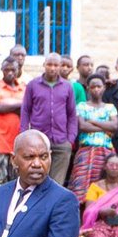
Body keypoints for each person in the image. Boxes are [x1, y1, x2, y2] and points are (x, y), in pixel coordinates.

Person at [19, 53, 78, 185]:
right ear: (44, 65)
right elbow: (26, 111)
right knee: (37, 179)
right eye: (49, 64)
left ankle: (52, 206)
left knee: (57, 183)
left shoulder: (67, 86)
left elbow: (72, 114)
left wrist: (70, 139)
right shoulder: (33, 85)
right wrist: (24, 135)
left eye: (56, 65)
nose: (52, 68)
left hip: (61, 141)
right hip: (38, 141)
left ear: (60, 66)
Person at [69, 75, 118, 204]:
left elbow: (114, 126)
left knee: (103, 188)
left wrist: (92, 121)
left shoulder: (110, 107)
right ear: (88, 89)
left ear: (104, 88)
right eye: (93, 87)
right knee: (81, 188)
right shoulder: (82, 106)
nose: (96, 89)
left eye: (99, 86)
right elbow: (83, 126)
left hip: (106, 152)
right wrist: (104, 127)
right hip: (86, 152)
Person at [0, 58, 24, 187]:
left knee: (16, 180)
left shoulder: (23, 88)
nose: (9, 73)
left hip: (18, 141)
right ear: (2, 70)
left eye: (13, 70)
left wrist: (7, 104)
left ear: (18, 70)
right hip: (0, 140)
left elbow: (27, 110)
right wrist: (19, 104)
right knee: (0, 181)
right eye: (6, 70)